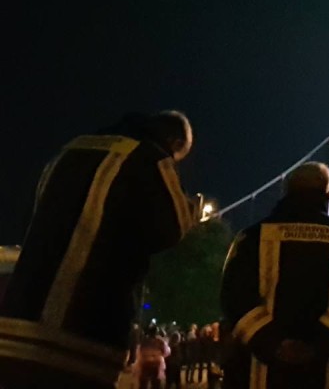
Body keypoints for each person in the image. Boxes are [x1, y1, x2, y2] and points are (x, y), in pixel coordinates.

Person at [0, 111, 196, 389]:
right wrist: (192, 209)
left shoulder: (70, 150)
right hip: (83, 332)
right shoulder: (150, 157)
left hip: (15, 323)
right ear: (172, 142)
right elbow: (172, 229)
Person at [220, 162, 329, 389]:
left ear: (286, 191)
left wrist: (274, 343)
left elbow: (233, 297)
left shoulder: (250, 239)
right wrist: (319, 342)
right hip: (325, 371)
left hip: (260, 371)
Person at [137, 324, 171, 389]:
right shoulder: (160, 341)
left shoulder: (144, 340)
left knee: (143, 383)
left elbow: (140, 350)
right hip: (155, 364)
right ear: (156, 332)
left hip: (145, 363)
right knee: (155, 383)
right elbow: (166, 351)